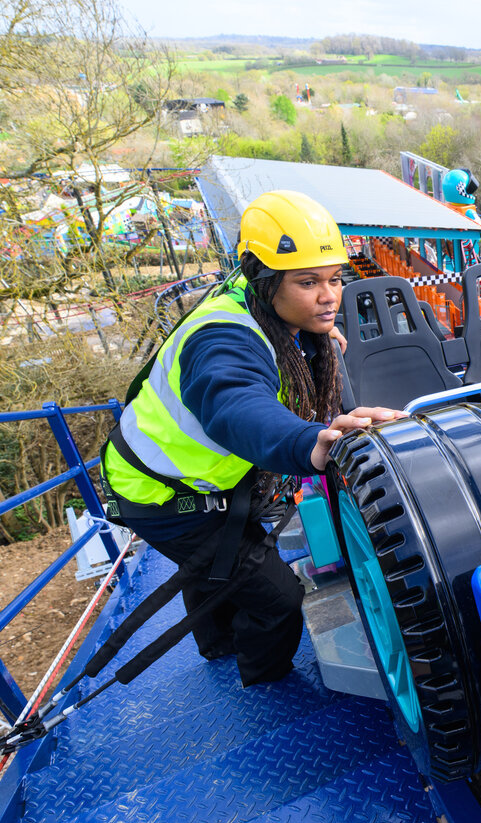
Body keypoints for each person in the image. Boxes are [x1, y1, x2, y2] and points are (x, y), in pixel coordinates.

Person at [101, 189, 403, 686]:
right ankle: (265, 680)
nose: (329, 296)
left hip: (202, 485)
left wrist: (313, 337)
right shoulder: (223, 337)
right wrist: (311, 441)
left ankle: (217, 642)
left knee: (217, 564)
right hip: (160, 496)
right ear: (264, 279)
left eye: (334, 279)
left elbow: (278, 349)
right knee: (277, 597)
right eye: (308, 282)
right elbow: (236, 405)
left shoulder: (266, 307)